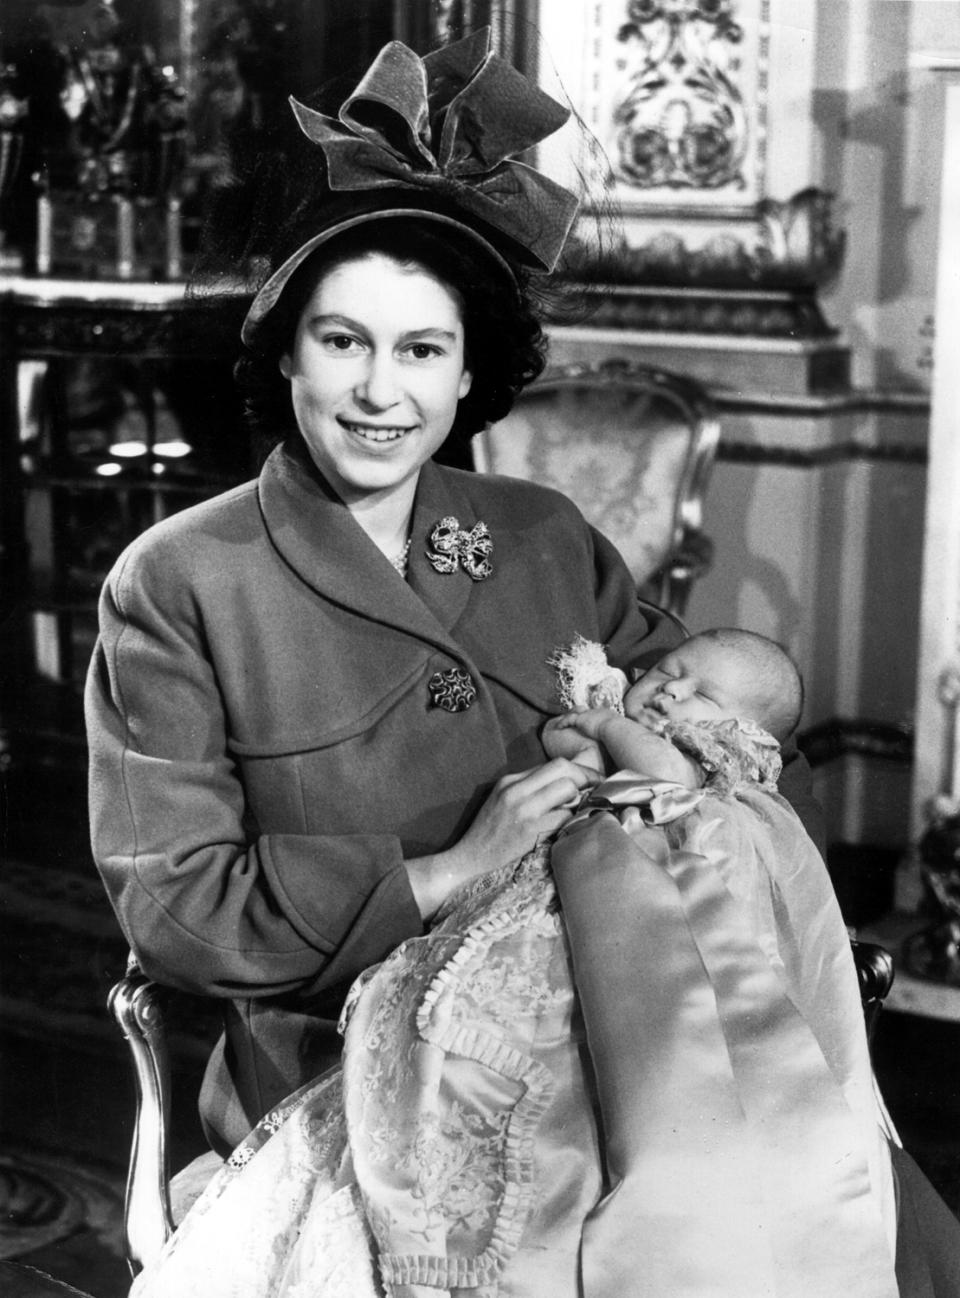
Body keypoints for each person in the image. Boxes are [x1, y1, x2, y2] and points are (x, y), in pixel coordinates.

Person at [84, 28, 820, 1163]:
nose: (382, 391)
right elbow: (178, 909)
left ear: (470, 373)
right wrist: (438, 872)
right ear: (287, 355)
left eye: (423, 350)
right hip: (353, 1086)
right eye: (343, 341)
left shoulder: (543, 534)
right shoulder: (180, 581)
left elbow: (725, 726)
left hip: (617, 1037)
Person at [124, 631, 900, 1297]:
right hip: (532, 911)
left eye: (700, 697)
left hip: (656, 939)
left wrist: (604, 722)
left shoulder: (697, 747)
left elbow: (674, 773)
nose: (668, 696)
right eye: (665, 677)